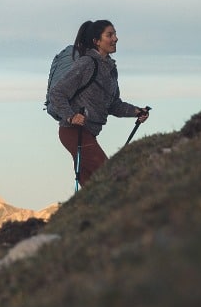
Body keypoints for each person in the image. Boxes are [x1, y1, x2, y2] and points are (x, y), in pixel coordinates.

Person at [47, 20, 150, 186]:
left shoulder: (110, 69)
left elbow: (113, 105)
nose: (115, 38)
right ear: (96, 41)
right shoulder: (87, 63)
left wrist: (136, 111)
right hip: (74, 132)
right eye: (109, 35)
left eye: (115, 34)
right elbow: (57, 93)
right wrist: (71, 116)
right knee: (108, 177)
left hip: (89, 133)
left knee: (94, 188)